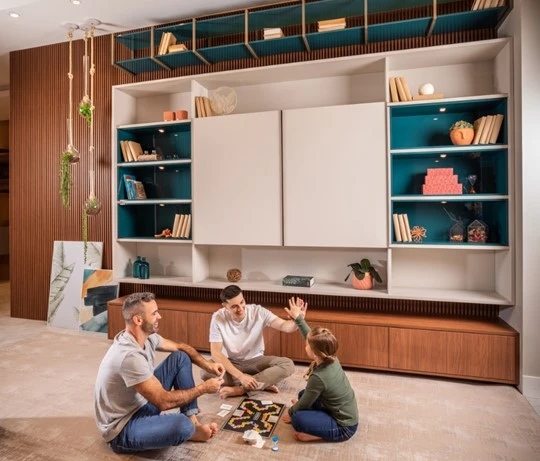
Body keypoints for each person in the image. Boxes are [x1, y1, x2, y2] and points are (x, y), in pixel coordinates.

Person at [94, 292, 225, 454]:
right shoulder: (129, 356)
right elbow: (163, 402)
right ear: (138, 320)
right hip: (122, 428)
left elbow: (180, 347)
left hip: (140, 405)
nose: (159, 316)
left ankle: (193, 422)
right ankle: (190, 427)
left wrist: (207, 365)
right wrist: (203, 388)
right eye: (154, 313)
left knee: (180, 357)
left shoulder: (146, 337)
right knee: (182, 426)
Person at [202, 284, 307, 399]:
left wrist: (298, 320)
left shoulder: (258, 311)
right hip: (231, 362)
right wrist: (241, 377)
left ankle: (242, 389)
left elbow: (284, 326)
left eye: (242, 302)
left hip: (256, 361)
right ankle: (262, 383)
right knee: (205, 371)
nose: (240, 309)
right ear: (225, 306)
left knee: (288, 364)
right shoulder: (218, 318)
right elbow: (216, 354)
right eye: (234, 306)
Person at [281, 297, 358, 442]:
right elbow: (310, 336)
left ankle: (317, 435)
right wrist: (298, 319)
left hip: (344, 427)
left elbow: (304, 404)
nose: (305, 345)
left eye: (307, 345)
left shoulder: (319, 377)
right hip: (337, 410)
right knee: (303, 394)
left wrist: (291, 412)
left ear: (315, 353)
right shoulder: (330, 356)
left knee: (298, 419)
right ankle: (315, 416)